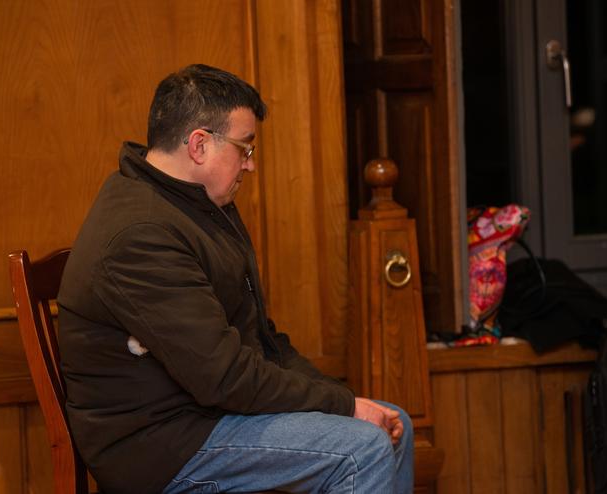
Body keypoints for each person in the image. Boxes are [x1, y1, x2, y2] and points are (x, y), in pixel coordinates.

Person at [57, 64, 414, 494]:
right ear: (199, 144)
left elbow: (262, 342)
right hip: (162, 447)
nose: (251, 165)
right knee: (364, 448)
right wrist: (342, 405)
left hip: (206, 415)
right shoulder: (141, 234)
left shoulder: (196, 207)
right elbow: (222, 376)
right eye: (245, 149)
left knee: (395, 423)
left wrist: (346, 401)